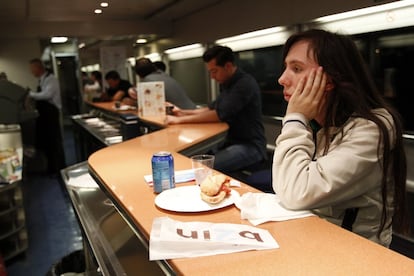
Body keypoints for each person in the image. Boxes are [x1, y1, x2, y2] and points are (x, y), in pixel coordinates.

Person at [273, 29, 407, 247]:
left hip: (355, 253)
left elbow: (296, 191)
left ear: (328, 80)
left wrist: (295, 119)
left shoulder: (373, 128)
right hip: (316, 237)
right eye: (285, 68)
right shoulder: (320, 124)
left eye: (296, 69)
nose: (282, 79)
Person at [166, 46, 267, 174]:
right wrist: (181, 113)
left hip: (251, 146)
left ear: (228, 66)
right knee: (196, 160)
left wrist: (178, 121)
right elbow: (211, 107)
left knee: (203, 168)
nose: (212, 76)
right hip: (231, 141)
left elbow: (219, 114)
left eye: (214, 71)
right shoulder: (226, 84)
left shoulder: (244, 84)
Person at [29, 58, 65, 173]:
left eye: (32, 69)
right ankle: (51, 167)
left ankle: (58, 168)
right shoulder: (42, 80)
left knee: (54, 141)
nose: (31, 72)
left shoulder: (51, 79)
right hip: (45, 115)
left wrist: (30, 94)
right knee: (47, 143)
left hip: (51, 114)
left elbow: (47, 95)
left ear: (39, 68)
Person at [131, 58, 196, 109]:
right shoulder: (164, 75)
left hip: (180, 114)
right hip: (192, 110)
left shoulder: (148, 81)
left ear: (138, 74)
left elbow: (147, 104)